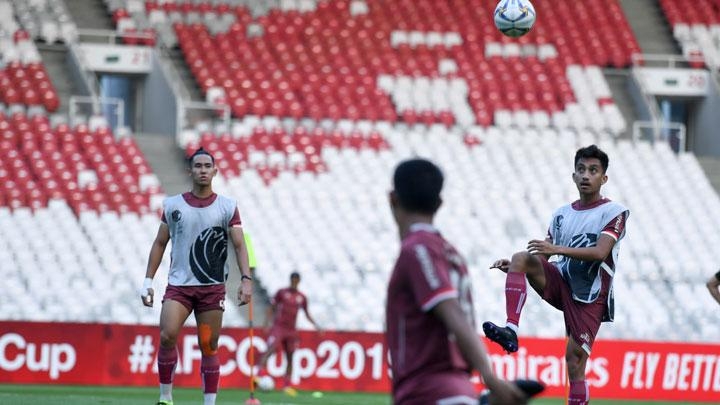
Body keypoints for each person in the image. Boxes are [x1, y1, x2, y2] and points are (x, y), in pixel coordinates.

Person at [482, 145, 629, 405]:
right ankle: (511, 330)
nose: (586, 175)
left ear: (603, 178)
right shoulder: (561, 214)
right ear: (573, 176)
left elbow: (600, 252)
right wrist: (519, 268)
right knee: (520, 258)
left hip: (590, 296)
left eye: (593, 170)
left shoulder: (613, 212)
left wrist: (556, 249)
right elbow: (543, 257)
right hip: (561, 282)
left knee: (574, 365)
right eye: (581, 170)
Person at [385, 158, 527, 405]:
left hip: (427, 392)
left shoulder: (417, 249)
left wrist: (491, 378)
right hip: (454, 389)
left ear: (392, 199)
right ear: (439, 203)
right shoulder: (451, 254)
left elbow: (451, 312)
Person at [140, 147, 253, 405]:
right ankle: (166, 397)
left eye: (207, 166)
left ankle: (209, 403)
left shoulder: (227, 207)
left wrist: (246, 280)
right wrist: (148, 281)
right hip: (179, 286)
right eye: (198, 165)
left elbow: (239, 245)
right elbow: (160, 243)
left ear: (214, 171)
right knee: (168, 335)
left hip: (211, 289)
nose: (202, 170)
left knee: (208, 345)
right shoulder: (173, 205)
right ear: (190, 170)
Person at [255, 271, 321, 395]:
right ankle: (259, 376)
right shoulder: (282, 293)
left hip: (291, 330)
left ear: (299, 281)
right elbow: (272, 308)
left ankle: (287, 385)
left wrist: (317, 326)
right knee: (271, 349)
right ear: (290, 279)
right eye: (293, 279)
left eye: (296, 279)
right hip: (279, 327)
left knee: (290, 357)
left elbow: (307, 313)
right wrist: (266, 323)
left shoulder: (302, 297)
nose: (294, 281)